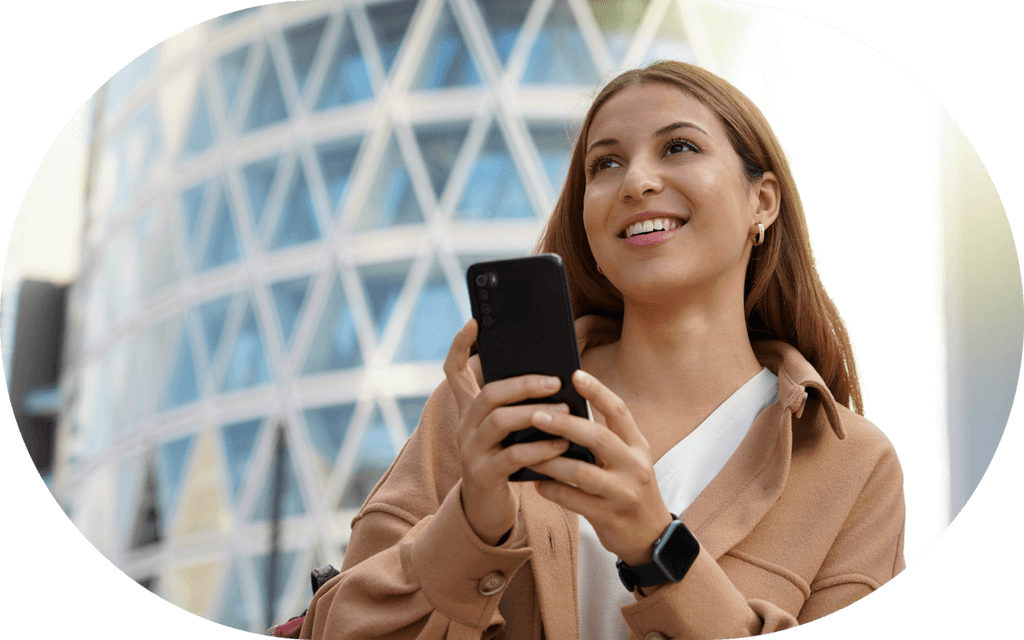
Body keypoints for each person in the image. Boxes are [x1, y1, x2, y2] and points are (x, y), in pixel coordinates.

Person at [287, 61, 906, 640]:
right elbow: (338, 624)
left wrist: (657, 546)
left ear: (761, 202)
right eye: (604, 164)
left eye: (679, 147)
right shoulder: (491, 403)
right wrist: (473, 522)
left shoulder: (853, 467)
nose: (636, 181)